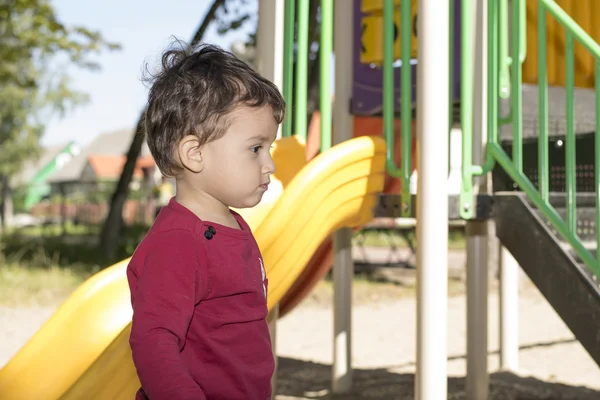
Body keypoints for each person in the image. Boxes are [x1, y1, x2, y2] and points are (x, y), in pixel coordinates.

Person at [126, 41, 285, 400]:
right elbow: (154, 341)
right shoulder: (178, 242)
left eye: (269, 149)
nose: (270, 164)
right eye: (256, 148)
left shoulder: (234, 227)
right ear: (195, 153)